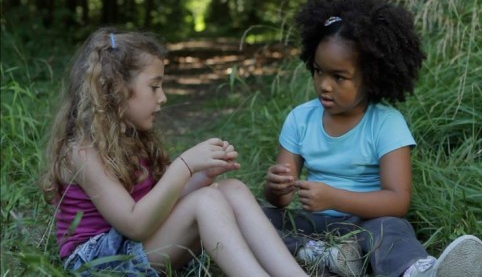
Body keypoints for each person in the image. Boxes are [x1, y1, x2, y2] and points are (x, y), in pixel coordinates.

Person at [39, 27, 308, 277]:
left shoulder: (132, 137)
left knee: (231, 189)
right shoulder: (83, 151)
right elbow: (135, 224)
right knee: (205, 202)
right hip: (97, 261)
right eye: (154, 86)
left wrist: (200, 179)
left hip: (135, 244)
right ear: (117, 90)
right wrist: (184, 166)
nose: (163, 97)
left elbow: (159, 205)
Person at [262, 0, 482, 277]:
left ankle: (418, 272)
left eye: (339, 77)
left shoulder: (385, 123)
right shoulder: (300, 118)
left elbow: (397, 201)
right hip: (312, 223)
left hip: (367, 221)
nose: (324, 85)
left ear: (371, 77)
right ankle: (320, 254)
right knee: (257, 217)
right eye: (318, 71)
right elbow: (280, 200)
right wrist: (276, 187)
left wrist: (334, 198)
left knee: (392, 228)